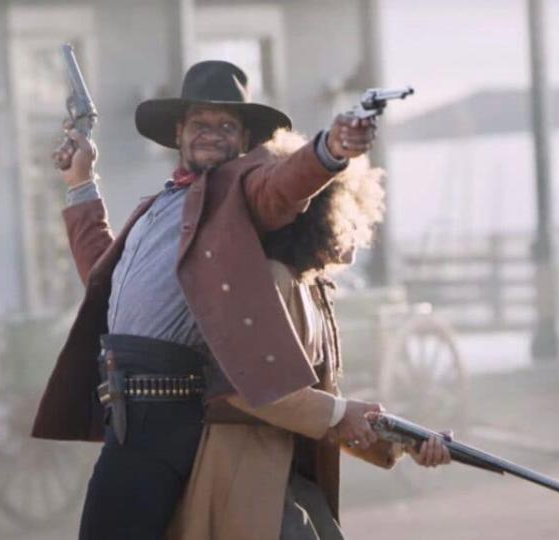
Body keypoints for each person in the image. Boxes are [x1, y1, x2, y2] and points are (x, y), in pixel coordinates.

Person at [33, 60, 391, 539]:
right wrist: (81, 183)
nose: (212, 134)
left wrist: (331, 150)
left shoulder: (241, 193)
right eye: (200, 124)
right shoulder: (157, 206)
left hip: (168, 407)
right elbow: (104, 278)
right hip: (124, 407)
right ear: (179, 132)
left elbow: (283, 186)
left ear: (244, 142)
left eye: (227, 126)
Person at [166, 132, 451, 540]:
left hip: (290, 478)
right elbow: (247, 387)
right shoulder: (272, 279)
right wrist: (341, 412)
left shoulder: (311, 288)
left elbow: (326, 413)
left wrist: (404, 443)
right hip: (247, 479)